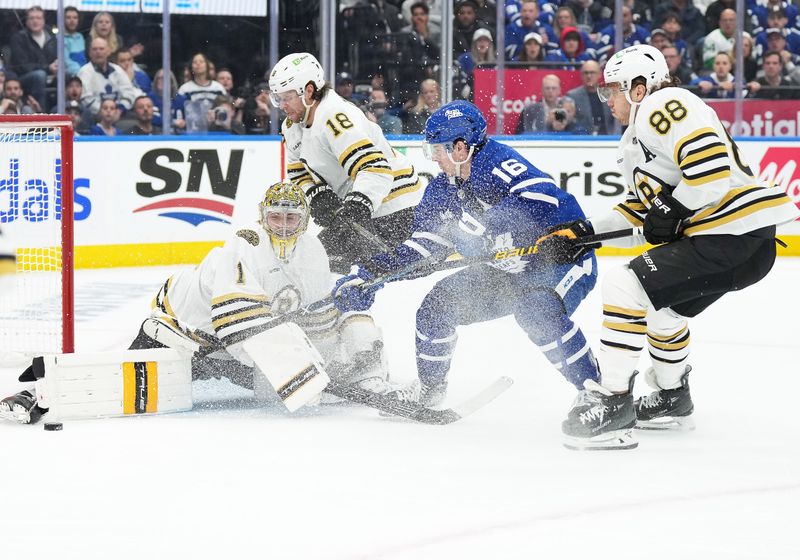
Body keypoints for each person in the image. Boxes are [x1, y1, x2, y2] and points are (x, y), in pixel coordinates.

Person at [537, 44, 799, 450]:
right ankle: (672, 397)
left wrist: (673, 208)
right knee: (663, 310)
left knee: (622, 285)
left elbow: (709, 174)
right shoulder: (636, 141)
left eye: (613, 91)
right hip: (746, 244)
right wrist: (582, 235)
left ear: (638, 88)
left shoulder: (666, 102)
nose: (608, 101)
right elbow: (641, 215)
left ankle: (613, 401)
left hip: (729, 233)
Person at [0, 182, 392, 425]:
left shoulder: (312, 252)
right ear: (262, 218)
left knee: (279, 387)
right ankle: (42, 391)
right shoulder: (246, 241)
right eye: (276, 218)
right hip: (181, 330)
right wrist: (297, 372)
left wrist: (324, 368)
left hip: (228, 348)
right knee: (133, 383)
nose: (284, 226)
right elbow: (234, 325)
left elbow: (317, 320)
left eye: (292, 218)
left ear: (305, 220)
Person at [331, 100, 599, 412]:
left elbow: (541, 196)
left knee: (536, 311)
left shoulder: (497, 162)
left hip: (559, 260)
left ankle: (598, 392)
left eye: (437, 149)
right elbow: (423, 249)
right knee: (436, 309)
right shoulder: (441, 190)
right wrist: (371, 273)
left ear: (461, 148)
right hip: (506, 272)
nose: (433, 157)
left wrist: (489, 227)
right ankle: (429, 391)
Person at [269, 52, 422, 274]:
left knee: (326, 267)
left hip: (396, 206)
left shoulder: (334, 116)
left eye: (286, 97)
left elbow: (375, 168)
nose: (281, 105)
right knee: (314, 263)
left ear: (309, 91)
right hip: (362, 208)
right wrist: (317, 194)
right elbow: (298, 173)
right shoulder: (291, 127)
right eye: (277, 98)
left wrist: (357, 205)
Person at [8, 6, 57, 109]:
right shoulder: (19, 38)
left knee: (66, 75)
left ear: (43, 21)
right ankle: (41, 113)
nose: (35, 21)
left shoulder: (52, 38)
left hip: (49, 74)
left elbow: (55, 58)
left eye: (38, 18)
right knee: (39, 75)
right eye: (31, 18)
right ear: (26, 21)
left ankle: (61, 111)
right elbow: (23, 66)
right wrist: (48, 68)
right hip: (24, 78)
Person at [78, 37, 141, 115]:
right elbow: (85, 98)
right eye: (94, 49)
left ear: (108, 51)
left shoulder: (117, 70)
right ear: (90, 53)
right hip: (95, 116)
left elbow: (128, 93)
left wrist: (120, 110)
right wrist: (105, 112)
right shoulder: (84, 72)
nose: (98, 52)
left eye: (101, 49)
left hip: (119, 114)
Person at [173, 53, 227, 133]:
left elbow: (225, 108)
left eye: (201, 61)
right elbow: (179, 112)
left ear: (207, 66)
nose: (198, 64)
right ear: (191, 67)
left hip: (216, 130)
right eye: (195, 62)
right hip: (193, 130)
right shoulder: (184, 89)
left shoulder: (218, 87)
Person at [567, 60, 615, 135]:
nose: (589, 76)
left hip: (609, 139)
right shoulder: (573, 96)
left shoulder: (610, 94)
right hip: (584, 140)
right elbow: (568, 121)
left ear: (599, 74)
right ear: (581, 75)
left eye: (592, 72)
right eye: (586, 73)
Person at [63, 6, 87, 76]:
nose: (72, 20)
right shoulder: (59, 39)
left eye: (75, 17)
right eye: (68, 17)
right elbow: (66, 62)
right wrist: (82, 73)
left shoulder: (80, 37)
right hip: (72, 76)